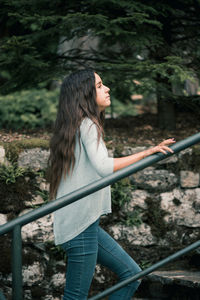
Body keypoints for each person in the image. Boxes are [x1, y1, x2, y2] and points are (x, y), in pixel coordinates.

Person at [48, 69, 175, 300]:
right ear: (84, 94)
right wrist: (148, 152)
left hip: (85, 224)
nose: (107, 88)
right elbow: (104, 167)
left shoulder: (78, 125)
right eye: (99, 85)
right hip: (80, 227)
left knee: (132, 274)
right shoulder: (87, 125)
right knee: (75, 297)